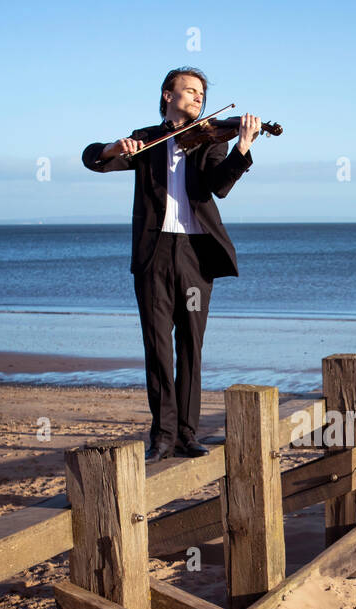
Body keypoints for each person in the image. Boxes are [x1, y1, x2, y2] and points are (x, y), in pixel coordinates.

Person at [82, 67, 259, 462]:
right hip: (154, 253)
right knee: (158, 345)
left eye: (201, 94)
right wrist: (114, 148)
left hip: (196, 256)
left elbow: (220, 186)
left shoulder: (210, 139)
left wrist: (241, 148)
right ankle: (161, 437)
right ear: (167, 95)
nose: (198, 98)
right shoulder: (145, 139)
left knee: (190, 346)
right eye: (190, 91)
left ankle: (187, 433)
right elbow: (93, 158)